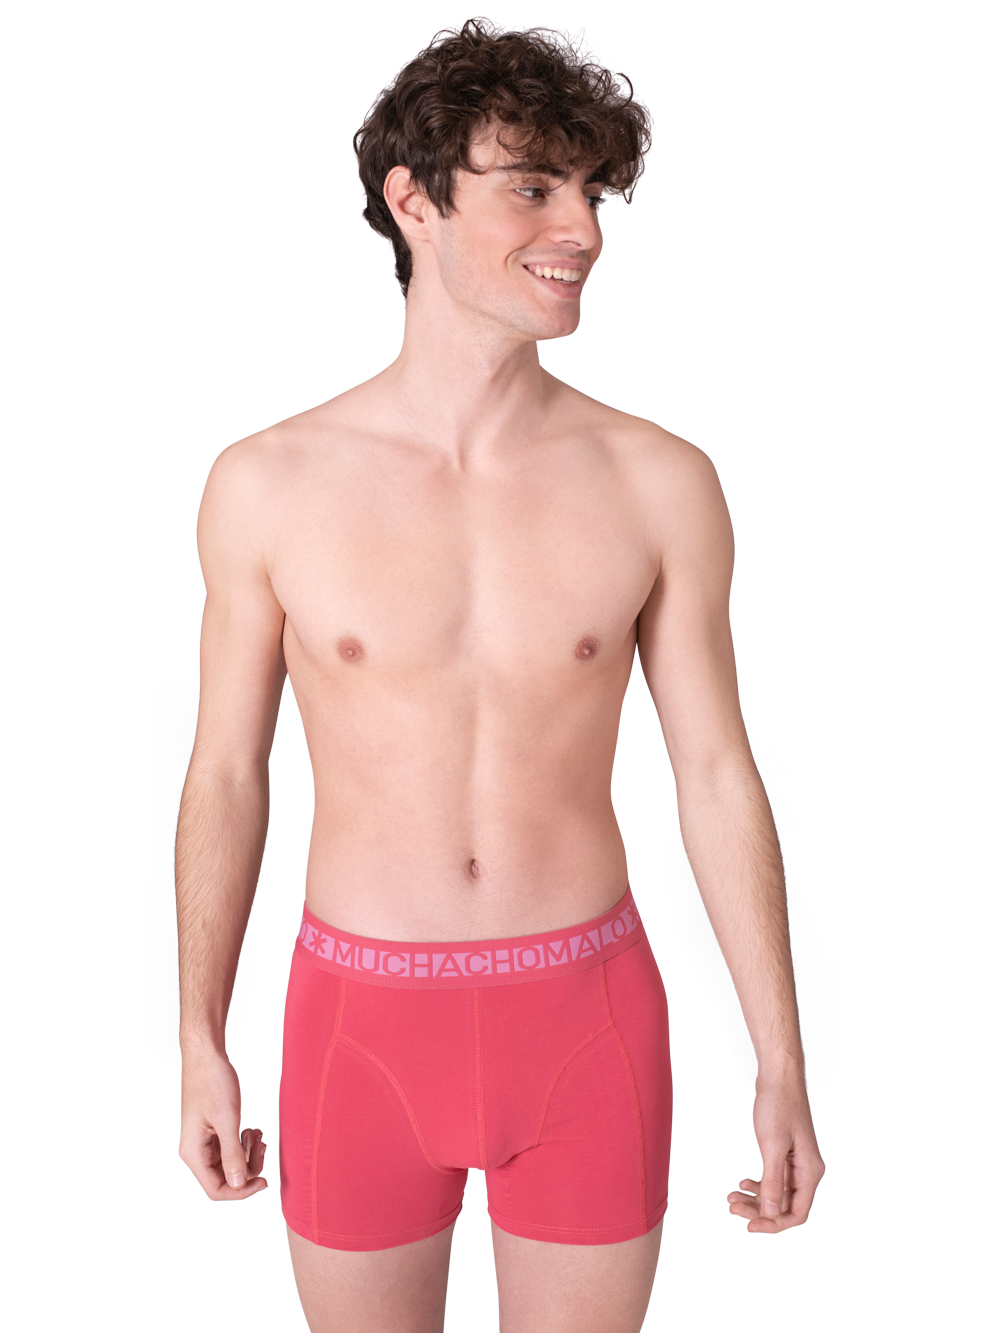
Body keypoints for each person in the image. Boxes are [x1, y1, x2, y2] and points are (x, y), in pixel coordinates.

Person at [176, 20, 825, 1333]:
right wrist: (196, 1036)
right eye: (533, 188)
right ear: (412, 202)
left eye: (591, 191)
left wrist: (780, 1058)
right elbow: (228, 771)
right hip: (356, 1027)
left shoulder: (658, 481)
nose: (581, 229)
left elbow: (715, 771)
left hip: (586, 1019)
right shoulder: (267, 485)